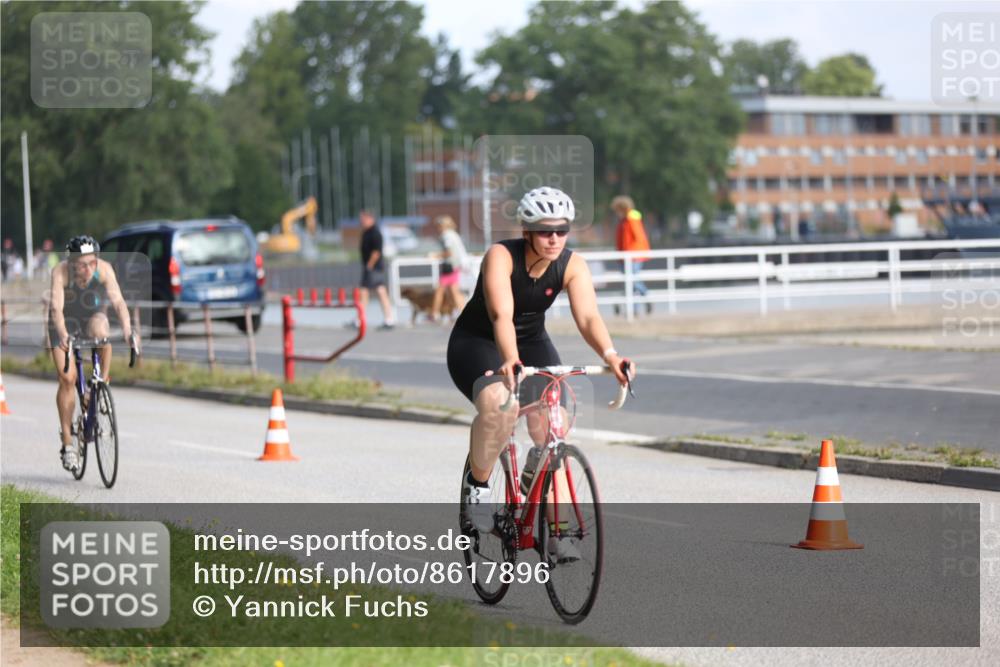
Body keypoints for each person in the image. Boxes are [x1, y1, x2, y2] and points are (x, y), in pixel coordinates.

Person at [448, 186, 635, 559]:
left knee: (553, 424)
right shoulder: (501, 256)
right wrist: (510, 359)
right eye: (545, 230)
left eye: (561, 230)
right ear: (526, 231)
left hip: (533, 340)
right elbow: (502, 314)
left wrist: (612, 356)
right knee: (500, 407)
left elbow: (587, 317)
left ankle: (557, 532)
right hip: (479, 340)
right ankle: (478, 486)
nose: (554, 238)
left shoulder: (572, 264)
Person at [47, 235, 139, 473]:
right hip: (63, 320)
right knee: (67, 379)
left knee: (102, 331)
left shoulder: (104, 270)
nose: (87, 269)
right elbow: (56, 308)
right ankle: (68, 443)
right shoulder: (60, 272)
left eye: (92, 263)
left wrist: (129, 331)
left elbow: (118, 303)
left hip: (91, 314)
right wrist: (64, 334)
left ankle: (101, 380)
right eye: (81, 264)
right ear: (71, 262)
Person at [611, 195, 652, 315]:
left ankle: (647, 296)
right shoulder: (625, 220)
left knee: (632, 281)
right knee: (631, 283)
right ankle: (634, 309)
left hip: (633, 257)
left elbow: (637, 238)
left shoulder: (631, 219)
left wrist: (628, 255)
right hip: (628, 256)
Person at [357, 210, 397, 330]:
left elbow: (376, 252)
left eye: (363, 219)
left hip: (374, 267)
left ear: (370, 219)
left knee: (365, 291)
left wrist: (369, 265)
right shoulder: (366, 232)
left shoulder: (375, 233)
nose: (361, 221)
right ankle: (388, 318)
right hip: (372, 267)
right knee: (380, 291)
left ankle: (360, 319)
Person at [429, 215, 468, 322]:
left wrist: (435, 255)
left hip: (450, 266)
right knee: (454, 291)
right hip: (456, 266)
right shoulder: (453, 234)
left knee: (440, 290)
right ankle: (463, 313)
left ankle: (434, 314)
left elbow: (449, 252)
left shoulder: (447, 236)